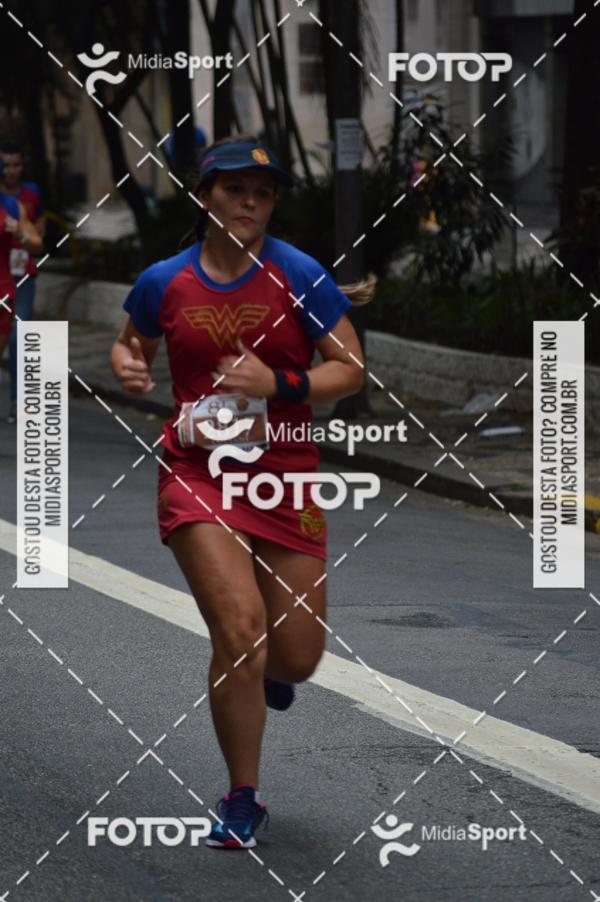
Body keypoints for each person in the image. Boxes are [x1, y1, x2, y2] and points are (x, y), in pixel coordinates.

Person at [111, 136, 371, 849]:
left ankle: (270, 674)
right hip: (198, 473)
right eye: (234, 189)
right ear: (205, 197)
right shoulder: (164, 280)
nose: (249, 202)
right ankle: (242, 796)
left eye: (262, 192)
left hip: (285, 475)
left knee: (296, 659)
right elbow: (131, 343)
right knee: (239, 632)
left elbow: (350, 369)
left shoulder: (299, 274)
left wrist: (278, 383)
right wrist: (130, 367)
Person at [0, 143, 45, 423]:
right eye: (6, 165)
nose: (11, 171)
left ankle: (19, 400)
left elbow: (39, 237)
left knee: (19, 337)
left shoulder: (23, 199)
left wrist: (22, 233)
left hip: (20, 275)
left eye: (16, 165)